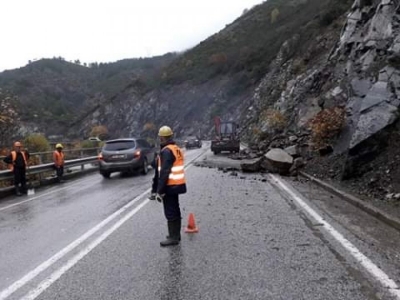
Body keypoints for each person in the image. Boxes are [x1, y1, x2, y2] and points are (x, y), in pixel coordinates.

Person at [150, 125, 187, 247]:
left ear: (161, 138)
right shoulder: (175, 148)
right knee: (175, 209)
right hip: (177, 184)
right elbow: (160, 167)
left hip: (170, 186)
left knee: (170, 211)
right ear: (170, 136)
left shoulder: (166, 151)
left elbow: (164, 172)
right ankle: (176, 235)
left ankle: (173, 237)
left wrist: (159, 191)